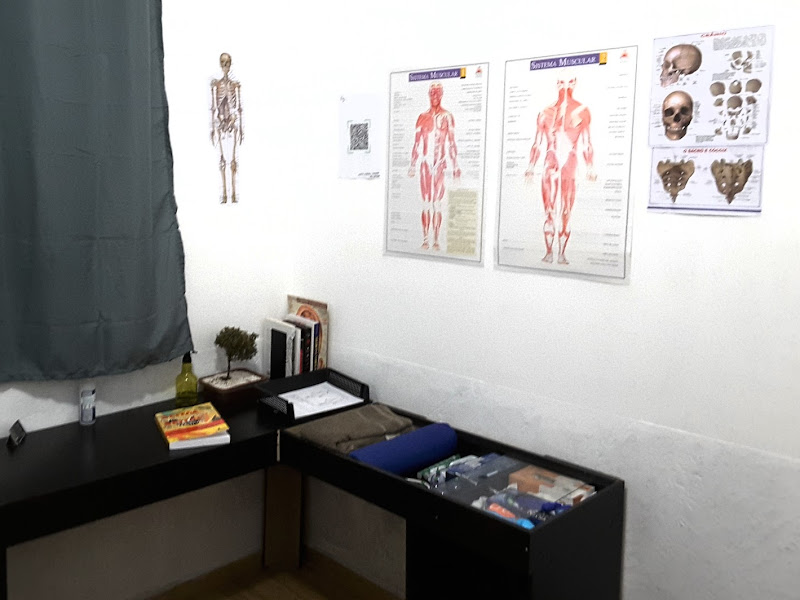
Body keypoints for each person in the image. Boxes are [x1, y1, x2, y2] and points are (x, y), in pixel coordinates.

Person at [525, 77, 595, 264]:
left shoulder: (582, 111)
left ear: (575, 83)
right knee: (549, 211)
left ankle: (562, 253)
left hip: (569, 165)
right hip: (551, 163)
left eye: (570, 82)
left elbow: (586, 142)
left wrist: (590, 167)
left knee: (565, 211)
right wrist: (531, 167)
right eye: (561, 82)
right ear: (556, 84)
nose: (565, 86)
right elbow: (538, 142)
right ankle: (549, 252)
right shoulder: (545, 113)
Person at [408, 82, 460, 250]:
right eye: (432, 93)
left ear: (442, 94)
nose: (435, 96)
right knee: (426, 203)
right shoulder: (422, 117)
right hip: (425, 163)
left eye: (437, 92)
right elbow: (417, 143)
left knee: (437, 203)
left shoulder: (447, 116)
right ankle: (425, 239)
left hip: (439, 163)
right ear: (428, 94)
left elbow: (451, 143)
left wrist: (455, 166)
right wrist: (412, 164)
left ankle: (436, 239)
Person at [210, 53, 244, 203]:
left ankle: (234, 194)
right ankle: (224, 194)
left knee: (233, 160)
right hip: (221, 123)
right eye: (223, 63)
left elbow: (238, 109)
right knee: (223, 159)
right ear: (220, 65)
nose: (225, 66)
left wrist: (239, 127)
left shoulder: (235, 85)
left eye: (227, 63)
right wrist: (214, 127)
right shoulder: (216, 85)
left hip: (232, 123)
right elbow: (214, 108)